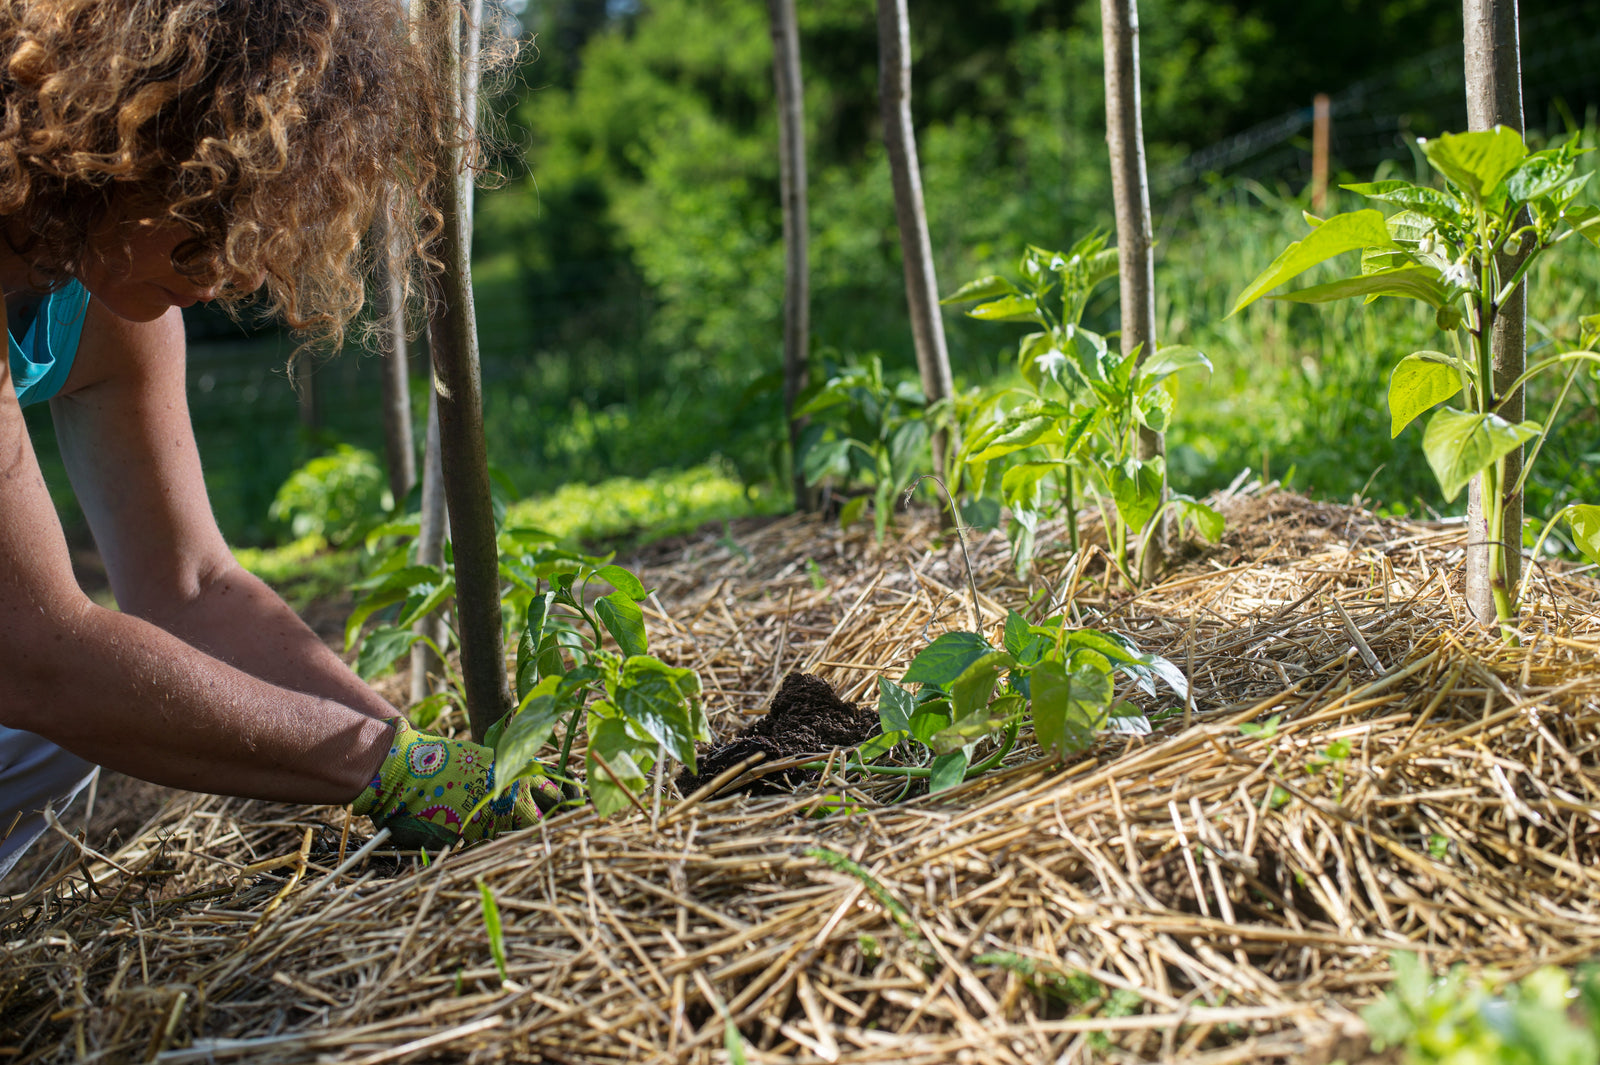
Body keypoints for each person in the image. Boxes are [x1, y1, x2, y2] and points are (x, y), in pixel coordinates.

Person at [0, 0, 554, 880]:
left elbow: (191, 584)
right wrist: (376, 769)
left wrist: (402, 749)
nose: (246, 268)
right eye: (217, 210)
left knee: (40, 742)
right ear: (123, 148)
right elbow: (34, 653)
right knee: (48, 708)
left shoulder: (100, 303)